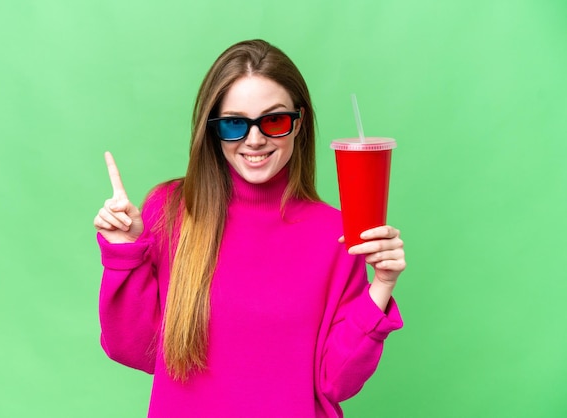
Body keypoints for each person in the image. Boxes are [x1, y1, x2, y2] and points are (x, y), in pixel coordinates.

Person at [93, 39, 406, 418]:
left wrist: (381, 287)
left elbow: (335, 382)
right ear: (214, 129)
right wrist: (123, 256)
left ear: (298, 123)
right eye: (234, 124)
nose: (254, 139)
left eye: (273, 120)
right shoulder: (171, 210)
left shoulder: (338, 233)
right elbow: (132, 347)